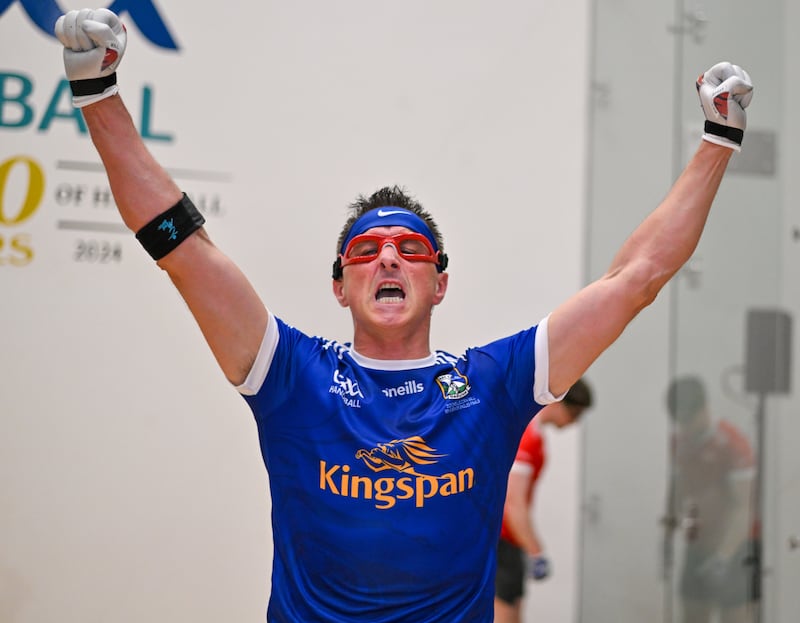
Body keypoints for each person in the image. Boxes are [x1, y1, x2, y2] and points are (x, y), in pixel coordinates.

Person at [54, 8, 755, 622]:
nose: (388, 257)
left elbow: (635, 279)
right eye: (366, 250)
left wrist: (718, 141)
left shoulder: (494, 383)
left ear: (440, 283)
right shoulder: (289, 374)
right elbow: (183, 249)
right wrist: (97, 93)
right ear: (340, 286)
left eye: (410, 248)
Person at [494, 378, 593, 623]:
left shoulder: (533, 434)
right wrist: (536, 552)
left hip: (508, 540)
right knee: (504, 615)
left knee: (513, 612)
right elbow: (512, 503)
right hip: (500, 540)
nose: (574, 422)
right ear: (559, 401)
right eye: (575, 414)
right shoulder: (526, 437)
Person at [665, 376, 757, 623]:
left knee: (734, 617)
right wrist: (667, 534)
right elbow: (677, 491)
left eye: (689, 420)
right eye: (680, 422)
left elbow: (744, 507)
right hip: (698, 545)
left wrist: (724, 556)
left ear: (704, 409)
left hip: (733, 550)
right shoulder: (679, 442)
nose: (685, 428)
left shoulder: (733, 443)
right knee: (692, 615)